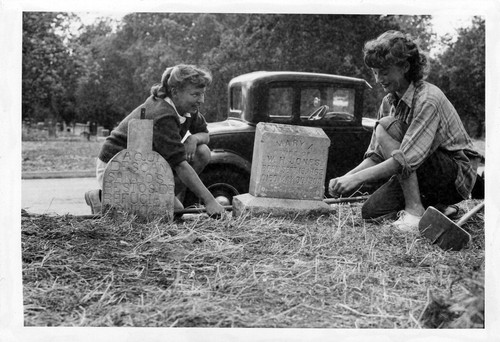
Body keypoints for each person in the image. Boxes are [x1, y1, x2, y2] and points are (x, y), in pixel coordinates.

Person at [328, 30, 481, 233]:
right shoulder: (388, 101)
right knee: (372, 211)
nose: (378, 79)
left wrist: (357, 179)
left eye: (384, 72)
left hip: (454, 174)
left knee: (384, 127)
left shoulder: (428, 99)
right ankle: (440, 209)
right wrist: (345, 177)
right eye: (375, 72)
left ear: (405, 67)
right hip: (421, 169)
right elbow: (376, 156)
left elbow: (405, 160)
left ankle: (415, 209)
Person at [85, 64, 225, 217]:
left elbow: (205, 134)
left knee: (202, 151)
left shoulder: (187, 109)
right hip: (119, 166)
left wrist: (193, 138)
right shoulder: (162, 114)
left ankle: (161, 199)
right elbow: (180, 165)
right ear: (175, 92)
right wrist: (209, 200)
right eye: (195, 94)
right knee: (172, 212)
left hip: (147, 166)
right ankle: (100, 198)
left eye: (203, 94)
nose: (202, 100)